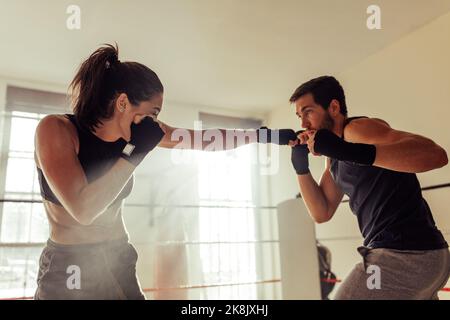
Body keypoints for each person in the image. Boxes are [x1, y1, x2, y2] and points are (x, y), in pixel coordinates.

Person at [33, 43, 297, 299]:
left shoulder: (134, 135)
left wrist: (264, 135)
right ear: (122, 102)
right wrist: (135, 153)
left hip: (117, 257)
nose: (154, 122)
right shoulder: (56, 130)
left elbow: (202, 140)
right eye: (152, 112)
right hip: (70, 265)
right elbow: (83, 209)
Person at [289, 75, 449, 299]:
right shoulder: (333, 159)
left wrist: (347, 151)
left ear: (333, 107)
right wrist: (300, 168)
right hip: (420, 257)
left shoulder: (357, 129)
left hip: (406, 254)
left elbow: (436, 155)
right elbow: (321, 212)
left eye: (308, 112)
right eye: (299, 116)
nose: (303, 124)